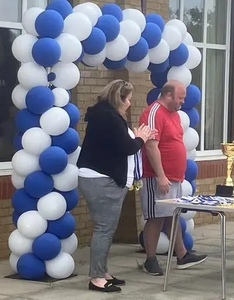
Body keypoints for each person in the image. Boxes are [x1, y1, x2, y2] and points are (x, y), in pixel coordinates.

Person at [77, 79, 155, 293]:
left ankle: (102, 272)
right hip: (101, 179)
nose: (129, 103)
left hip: (100, 177)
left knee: (106, 229)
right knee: (104, 229)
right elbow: (127, 147)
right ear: (118, 98)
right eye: (128, 99)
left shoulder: (105, 115)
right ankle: (96, 278)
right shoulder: (109, 118)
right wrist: (141, 138)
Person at [139, 80, 208, 276]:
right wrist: (161, 175)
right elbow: (151, 146)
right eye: (180, 98)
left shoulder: (174, 114)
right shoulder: (153, 113)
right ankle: (150, 259)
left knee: (172, 215)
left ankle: (182, 254)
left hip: (174, 176)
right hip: (157, 176)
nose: (182, 102)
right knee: (156, 217)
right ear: (168, 95)